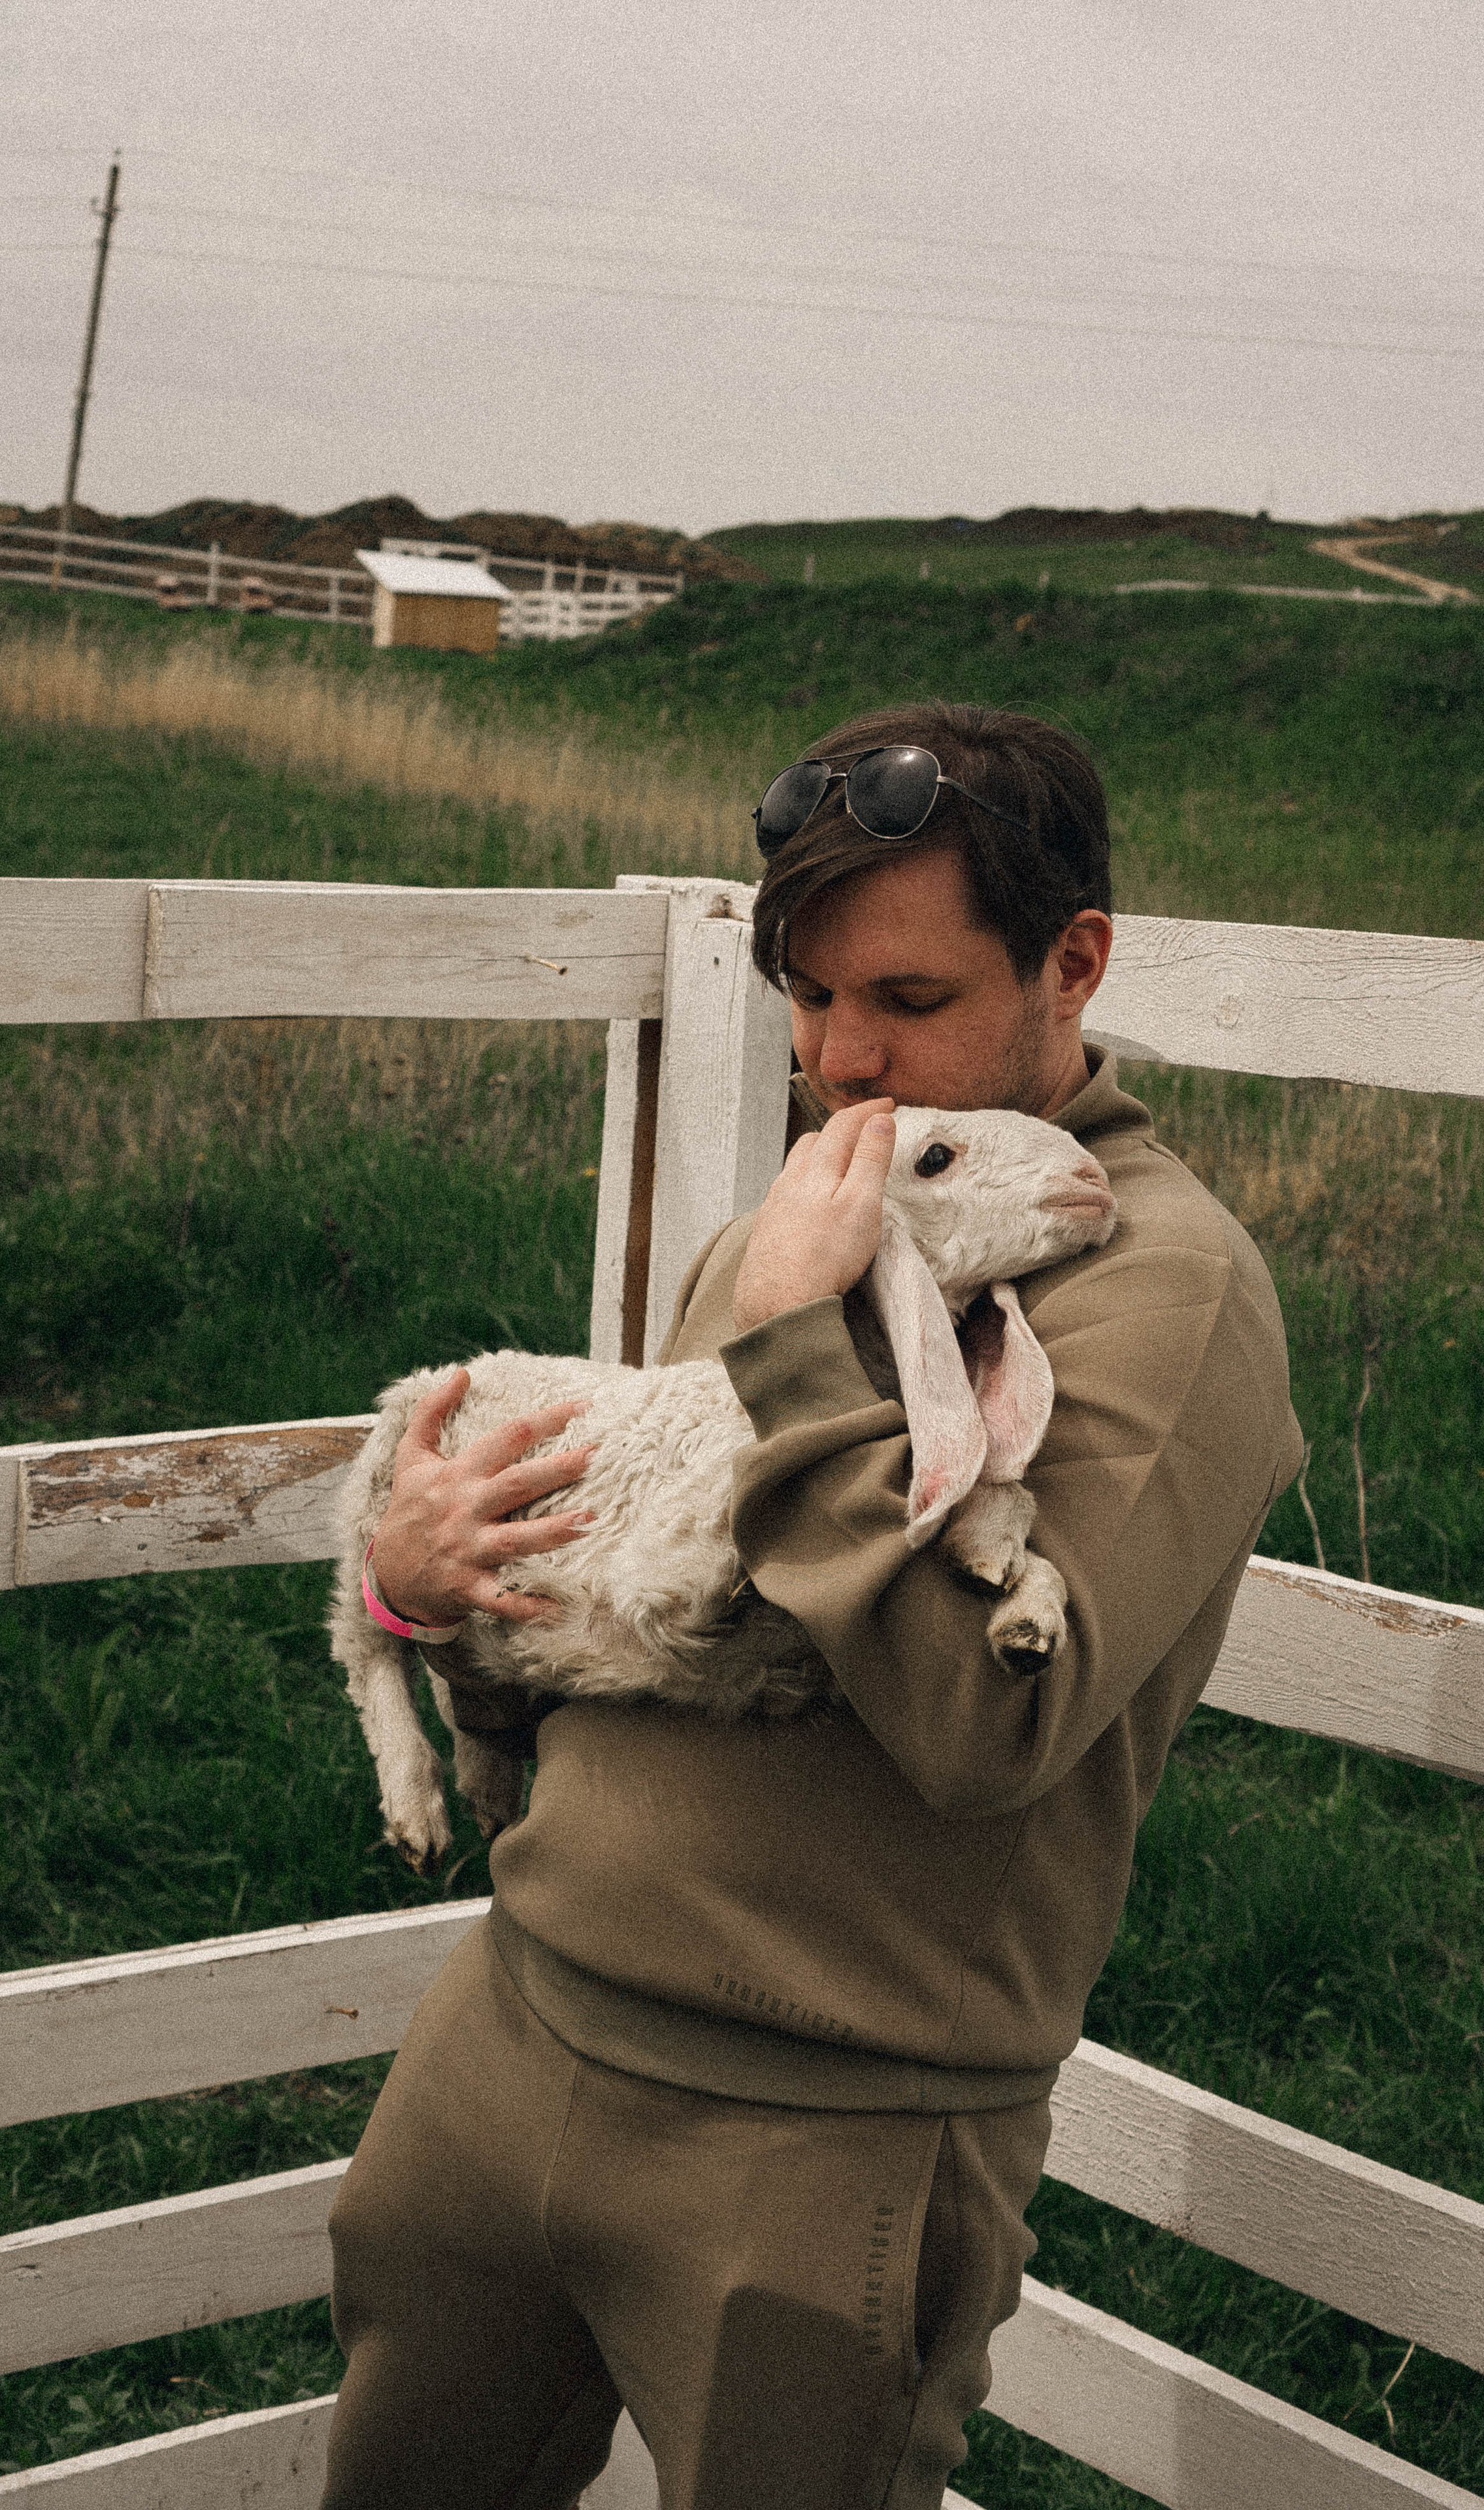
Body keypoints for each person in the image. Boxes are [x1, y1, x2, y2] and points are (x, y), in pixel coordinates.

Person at [320, 701, 1304, 2510]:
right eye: (810, 993)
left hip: (823, 2127)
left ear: (1073, 963)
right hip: (511, 2028)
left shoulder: (1164, 1287)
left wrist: (789, 1335)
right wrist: (421, 1596)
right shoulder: (812, 1213)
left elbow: (992, 1717)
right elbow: (635, 1601)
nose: (846, 1061)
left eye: (912, 999)